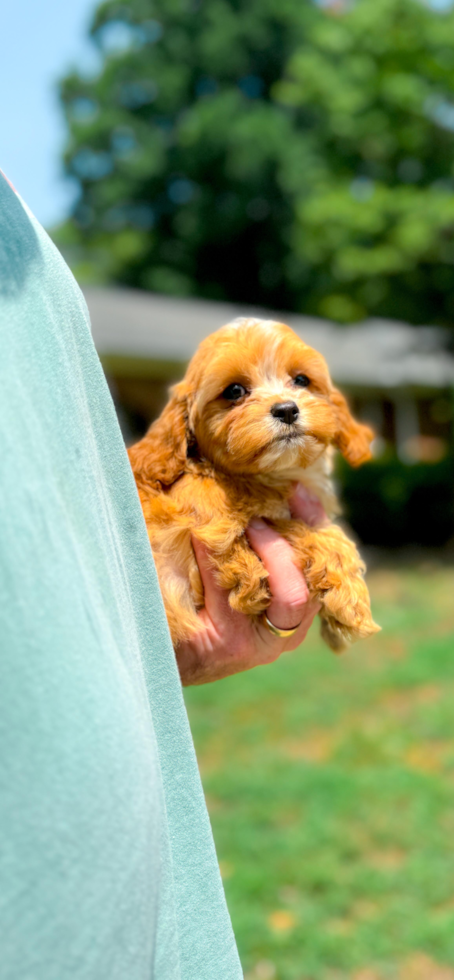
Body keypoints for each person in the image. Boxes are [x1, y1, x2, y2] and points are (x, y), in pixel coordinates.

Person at [0, 171, 325, 979]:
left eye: (299, 385)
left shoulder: (23, 222)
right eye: (239, 393)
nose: (281, 404)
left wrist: (161, 643)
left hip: (145, 892)